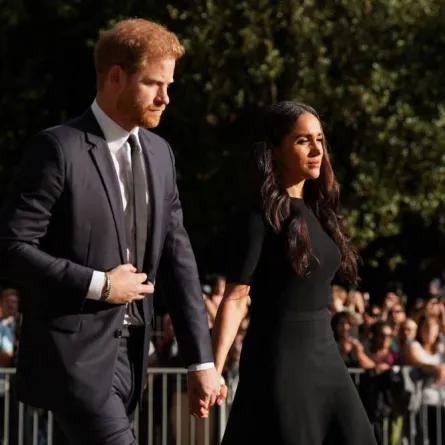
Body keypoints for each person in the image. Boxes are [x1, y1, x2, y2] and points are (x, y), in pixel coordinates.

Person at [0, 18, 221, 445]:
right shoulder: (58, 148)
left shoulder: (160, 155)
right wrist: (99, 285)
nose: (166, 98)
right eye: (155, 84)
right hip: (75, 363)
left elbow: (179, 261)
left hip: (134, 363)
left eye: (169, 85)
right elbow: (10, 247)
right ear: (116, 77)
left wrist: (201, 362)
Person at [211, 101, 377, 444]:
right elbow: (236, 296)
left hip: (326, 355)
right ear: (275, 149)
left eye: (320, 139)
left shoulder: (319, 209)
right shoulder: (260, 214)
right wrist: (212, 371)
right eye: (303, 141)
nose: (317, 149)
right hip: (282, 359)